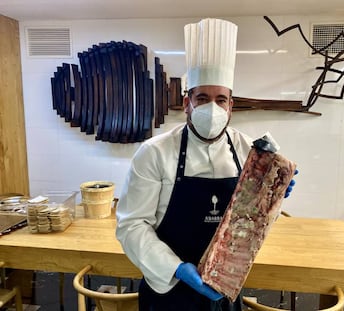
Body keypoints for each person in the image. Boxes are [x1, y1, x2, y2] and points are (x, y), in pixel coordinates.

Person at [116, 18, 296, 311]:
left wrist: (271, 200)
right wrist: (176, 269)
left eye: (220, 99)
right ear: (187, 103)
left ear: (230, 106)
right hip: (168, 291)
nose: (212, 108)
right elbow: (131, 226)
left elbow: (249, 225)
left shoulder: (248, 151)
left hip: (225, 285)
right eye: (202, 98)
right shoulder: (155, 153)